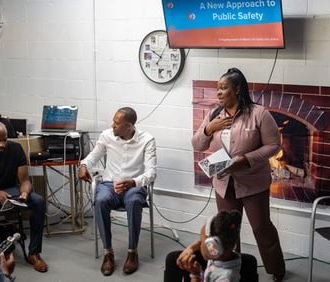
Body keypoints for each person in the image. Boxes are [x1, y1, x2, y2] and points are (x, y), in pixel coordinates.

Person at [191, 68, 286, 281]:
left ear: (238, 89)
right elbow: (197, 144)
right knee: (227, 231)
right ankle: (232, 269)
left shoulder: (259, 114)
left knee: (261, 227)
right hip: (224, 183)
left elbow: (273, 145)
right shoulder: (214, 115)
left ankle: (275, 267)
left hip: (253, 183)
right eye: (218, 88)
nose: (219, 93)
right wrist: (209, 128)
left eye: (224, 88)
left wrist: (246, 159)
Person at [78, 107, 156, 276]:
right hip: (109, 184)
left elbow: (151, 173)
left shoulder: (147, 140)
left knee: (134, 201)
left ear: (128, 126)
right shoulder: (107, 135)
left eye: (116, 122)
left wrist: (133, 182)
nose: (112, 125)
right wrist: (83, 165)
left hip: (134, 185)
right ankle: (108, 253)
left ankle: (132, 252)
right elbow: (93, 156)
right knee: (100, 201)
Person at [0, 121, 48, 273]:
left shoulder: (15, 148)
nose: (2, 144)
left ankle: (34, 252)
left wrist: (24, 193)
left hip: (11, 192)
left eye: (5, 140)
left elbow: (25, 180)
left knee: (38, 201)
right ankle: (0, 253)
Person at [164, 210, 259, 282]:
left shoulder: (226, 278)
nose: (201, 244)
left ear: (212, 249)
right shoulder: (223, 256)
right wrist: (192, 247)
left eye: (202, 242)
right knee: (173, 257)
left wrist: (195, 275)